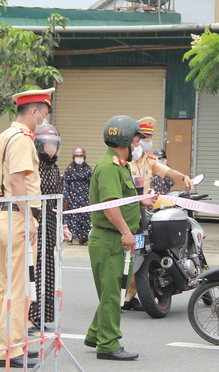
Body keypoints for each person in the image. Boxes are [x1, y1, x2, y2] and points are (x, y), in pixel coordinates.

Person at [84, 115, 158, 361]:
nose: (138, 144)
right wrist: (126, 232)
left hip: (116, 238)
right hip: (109, 238)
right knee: (112, 293)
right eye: (137, 139)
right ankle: (108, 344)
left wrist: (141, 200)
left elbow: (123, 198)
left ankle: (96, 333)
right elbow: (110, 205)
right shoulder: (108, 167)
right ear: (125, 139)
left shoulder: (121, 165)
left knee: (111, 290)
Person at [0, 87, 54, 368]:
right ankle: (12, 350)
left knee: (6, 285)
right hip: (17, 217)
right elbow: (17, 181)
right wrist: (29, 218)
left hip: (3, 216)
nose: (46, 119)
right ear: (34, 111)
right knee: (17, 288)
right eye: (45, 113)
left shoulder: (3, 136)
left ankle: (8, 346)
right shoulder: (21, 140)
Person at [123, 117, 194, 312]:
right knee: (134, 253)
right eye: (144, 137)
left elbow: (167, 171)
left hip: (144, 212)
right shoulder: (124, 162)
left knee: (144, 251)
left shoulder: (149, 160)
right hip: (129, 214)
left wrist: (184, 177)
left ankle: (130, 297)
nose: (148, 141)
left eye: (151, 137)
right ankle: (125, 297)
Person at [29, 124, 72, 333]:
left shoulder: (54, 168)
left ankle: (44, 315)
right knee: (34, 270)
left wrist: (63, 225)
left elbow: (59, 199)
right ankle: (31, 315)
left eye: (54, 144)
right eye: (47, 144)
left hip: (50, 225)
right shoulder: (34, 167)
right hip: (36, 224)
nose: (51, 148)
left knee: (47, 270)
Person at [63, 147, 93, 245]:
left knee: (85, 218)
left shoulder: (88, 169)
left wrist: (91, 196)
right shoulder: (70, 169)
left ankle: (84, 239)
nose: (79, 158)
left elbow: (92, 183)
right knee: (72, 218)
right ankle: (70, 238)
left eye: (80, 156)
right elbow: (65, 183)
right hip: (73, 197)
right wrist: (66, 195)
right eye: (77, 156)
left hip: (84, 197)